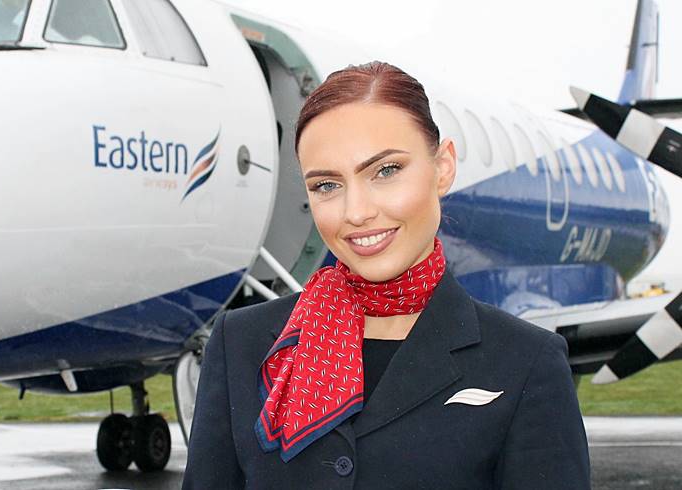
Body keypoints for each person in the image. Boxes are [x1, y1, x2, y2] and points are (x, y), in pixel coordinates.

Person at [181, 61, 590, 489]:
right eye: (326, 186)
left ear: (444, 166)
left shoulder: (525, 361)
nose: (357, 212)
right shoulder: (240, 344)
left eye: (386, 171)